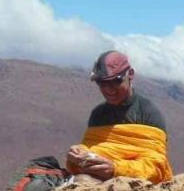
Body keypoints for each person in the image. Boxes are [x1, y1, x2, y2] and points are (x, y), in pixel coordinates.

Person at [66, 50, 173, 184]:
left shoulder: (147, 113)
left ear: (130, 75)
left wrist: (116, 168)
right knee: (82, 180)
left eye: (115, 82)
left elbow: (156, 167)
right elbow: (93, 150)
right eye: (102, 83)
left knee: (84, 182)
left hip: (137, 186)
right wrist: (78, 155)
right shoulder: (98, 114)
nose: (109, 89)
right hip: (97, 178)